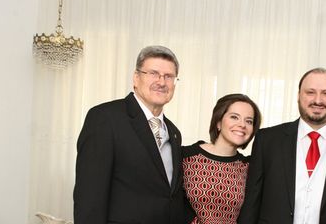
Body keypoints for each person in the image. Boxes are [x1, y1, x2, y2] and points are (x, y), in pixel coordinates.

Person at [238, 68, 326, 224]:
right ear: (298, 96)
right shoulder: (267, 140)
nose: (317, 100)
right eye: (310, 92)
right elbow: (252, 203)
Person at [74, 45, 184, 224]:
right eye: (153, 73)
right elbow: (90, 197)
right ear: (136, 78)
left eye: (169, 76)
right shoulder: (105, 118)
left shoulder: (173, 132)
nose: (162, 82)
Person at [182, 93, 262, 224]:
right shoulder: (186, 156)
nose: (242, 125)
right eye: (234, 117)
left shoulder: (249, 167)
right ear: (218, 122)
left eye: (249, 121)